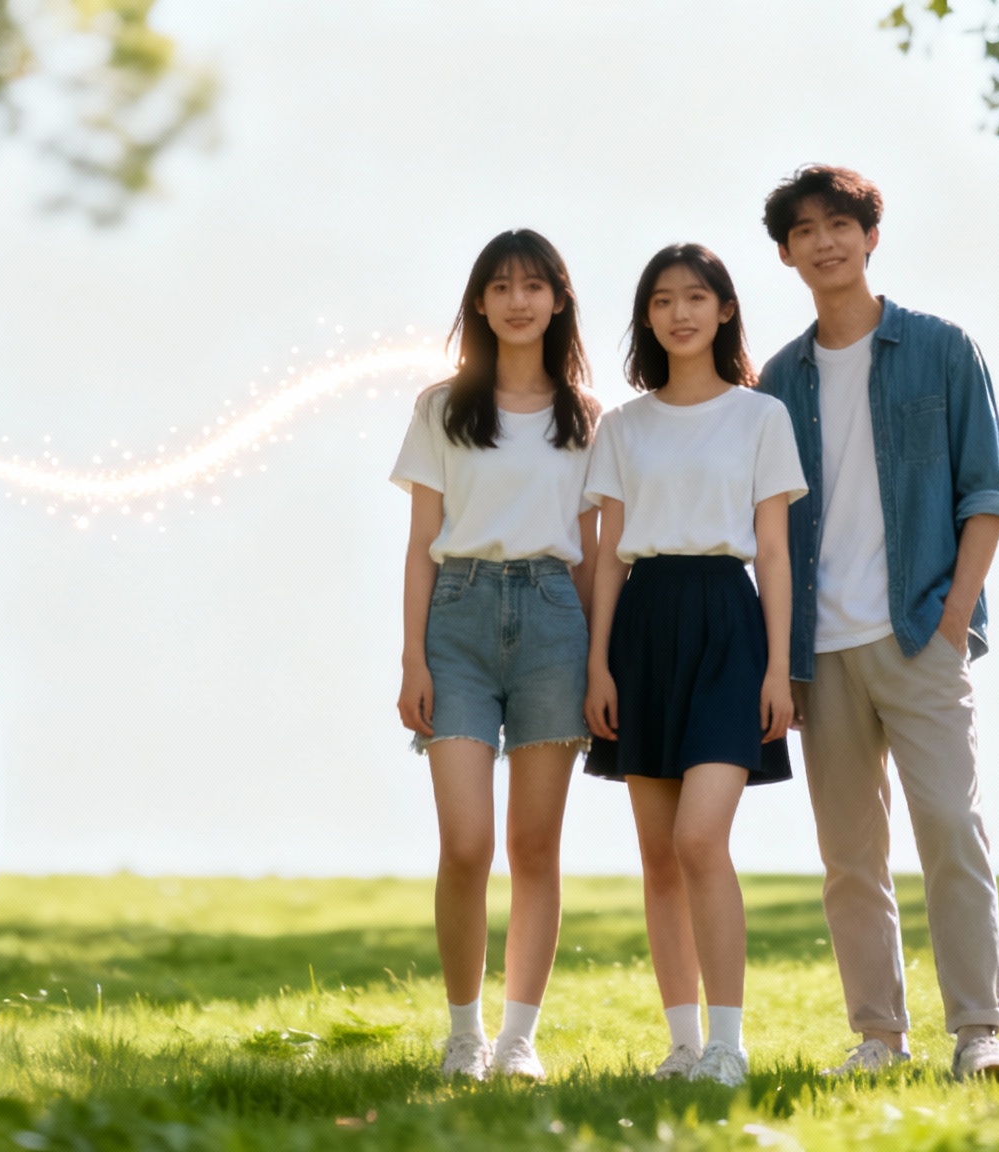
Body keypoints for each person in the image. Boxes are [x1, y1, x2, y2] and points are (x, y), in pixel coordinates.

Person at [755, 165, 999, 1080]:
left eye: (841, 224)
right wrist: (778, 659)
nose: (824, 241)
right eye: (805, 230)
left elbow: (986, 492)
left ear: (871, 237)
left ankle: (978, 1031)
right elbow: (765, 531)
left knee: (951, 824)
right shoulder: (775, 381)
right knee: (848, 856)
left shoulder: (944, 349)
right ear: (786, 254)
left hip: (919, 633)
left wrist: (953, 617)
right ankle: (879, 1035)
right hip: (815, 652)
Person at [582, 244, 806, 1088]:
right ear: (647, 316)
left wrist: (778, 670)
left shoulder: (760, 417)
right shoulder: (623, 427)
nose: (681, 312)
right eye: (664, 300)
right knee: (659, 855)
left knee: (699, 839)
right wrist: (598, 665)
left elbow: (775, 556)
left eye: (697, 297)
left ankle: (728, 1046)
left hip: (727, 623)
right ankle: (681, 1047)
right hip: (642, 626)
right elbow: (605, 558)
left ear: (723, 311)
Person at [391, 230, 601, 1081]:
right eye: (501, 286)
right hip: (459, 622)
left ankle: (519, 1040)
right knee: (468, 843)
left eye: (535, 285)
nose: (519, 300)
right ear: (479, 302)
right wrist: (412, 660)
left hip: (556, 619)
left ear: (558, 299)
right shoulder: (442, 408)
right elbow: (419, 544)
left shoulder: (586, 418)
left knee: (535, 847)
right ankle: (464, 1034)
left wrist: (599, 663)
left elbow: (594, 549)